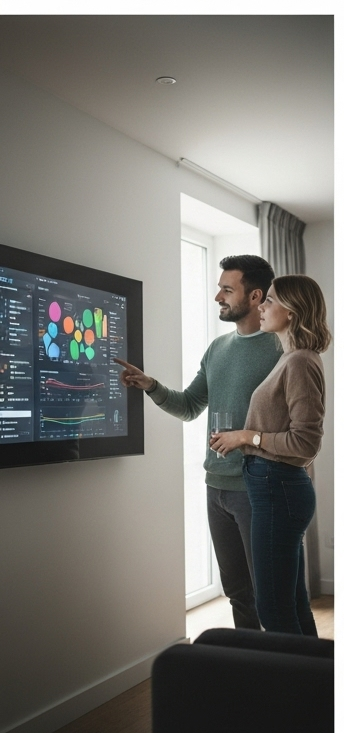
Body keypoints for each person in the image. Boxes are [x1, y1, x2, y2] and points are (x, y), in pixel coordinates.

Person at [115, 255, 279, 630]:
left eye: (226, 289)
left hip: (258, 488)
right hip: (216, 487)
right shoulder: (217, 349)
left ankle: (288, 673)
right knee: (237, 590)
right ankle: (251, 669)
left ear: (255, 297)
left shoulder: (280, 350)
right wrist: (151, 386)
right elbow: (190, 406)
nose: (217, 297)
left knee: (270, 592)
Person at [211, 275, 330, 636]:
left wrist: (247, 436)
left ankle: (290, 688)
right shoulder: (290, 359)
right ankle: (313, 681)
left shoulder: (298, 363)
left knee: (273, 608)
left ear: (292, 312)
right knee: (290, 601)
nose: (261, 306)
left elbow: (306, 443)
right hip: (273, 488)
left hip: (278, 489)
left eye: (271, 300)